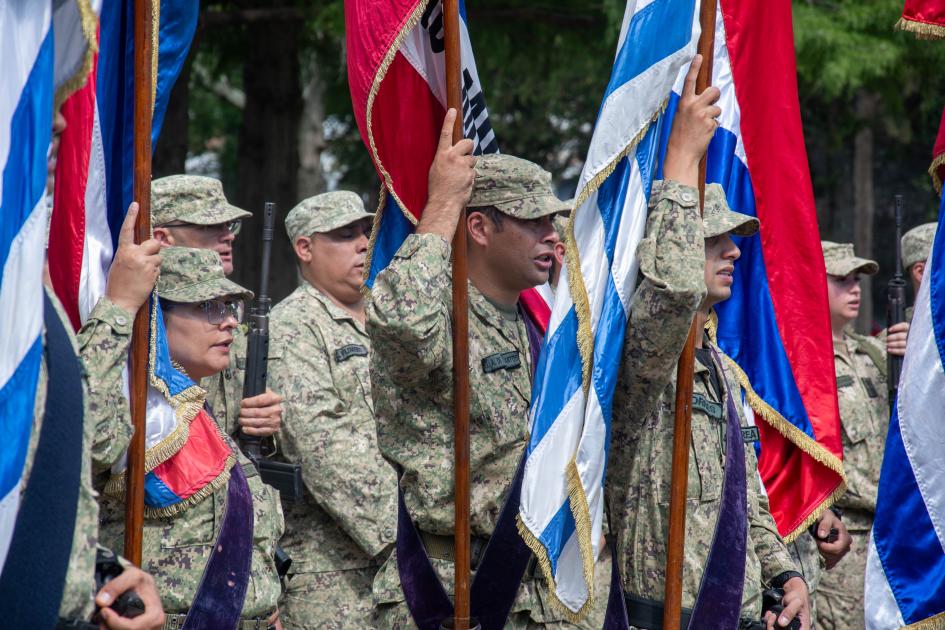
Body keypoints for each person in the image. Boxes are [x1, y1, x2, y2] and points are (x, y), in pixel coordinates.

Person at [606, 56, 809, 630]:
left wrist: (783, 573)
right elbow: (668, 294)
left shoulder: (724, 373)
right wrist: (680, 160)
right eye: (713, 238)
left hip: (734, 612)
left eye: (733, 239)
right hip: (661, 614)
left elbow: (748, 499)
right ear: (670, 241)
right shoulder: (644, 358)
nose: (734, 252)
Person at [367, 107, 583, 628]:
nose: (552, 235)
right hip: (447, 586)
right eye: (533, 221)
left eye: (552, 220)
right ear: (480, 227)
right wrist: (442, 205)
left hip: (530, 588)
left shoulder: (535, 325)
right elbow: (399, 324)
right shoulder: (441, 312)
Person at [78, 240, 285, 628]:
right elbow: (85, 435)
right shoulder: (141, 419)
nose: (228, 322)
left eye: (228, 307)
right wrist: (120, 308)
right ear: (156, 316)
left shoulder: (198, 410)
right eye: (207, 307)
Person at [268, 192, 398, 628]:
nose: (364, 243)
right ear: (305, 249)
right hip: (337, 585)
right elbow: (324, 449)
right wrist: (416, 541)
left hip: (407, 574)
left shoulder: (391, 317)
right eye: (345, 236)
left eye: (365, 231)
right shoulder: (292, 327)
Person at [151, 174, 283, 441]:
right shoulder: (146, 312)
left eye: (230, 225)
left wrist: (266, 423)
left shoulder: (232, 315)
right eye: (209, 226)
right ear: (162, 237)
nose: (229, 236)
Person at [816, 241, 889, 630]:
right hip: (843, 538)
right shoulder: (802, 364)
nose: (855, 289)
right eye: (842, 280)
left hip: (887, 535)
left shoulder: (874, 354)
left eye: (857, 279)